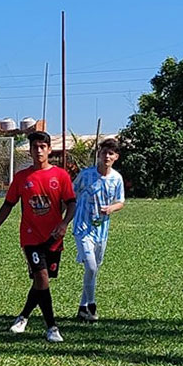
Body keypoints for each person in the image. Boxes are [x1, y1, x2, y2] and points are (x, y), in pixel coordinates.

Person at [0, 131, 75, 343]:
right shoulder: (21, 177)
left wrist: (64, 224)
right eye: (34, 147)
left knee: (41, 282)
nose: (38, 150)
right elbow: (8, 204)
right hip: (30, 238)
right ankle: (51, 327)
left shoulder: (61, 176)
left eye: (42, 147)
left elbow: (72, 203)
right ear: (30, 150)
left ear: (49, 150)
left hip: (53, 237)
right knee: (41, 277)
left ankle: (23, 317)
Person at [72, 138, 125, 322]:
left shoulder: (117, 179)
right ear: (99, 155)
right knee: (91, 266)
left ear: (116, 157)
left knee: (93, 270)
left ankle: (82, 308)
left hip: (101, 230)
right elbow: (71, 194)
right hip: (82, 228)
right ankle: (92, 304)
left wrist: (111, 208)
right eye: (104, 153)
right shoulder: (86, 175)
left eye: (111, 153)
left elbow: (121, 202)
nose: (107, 156)